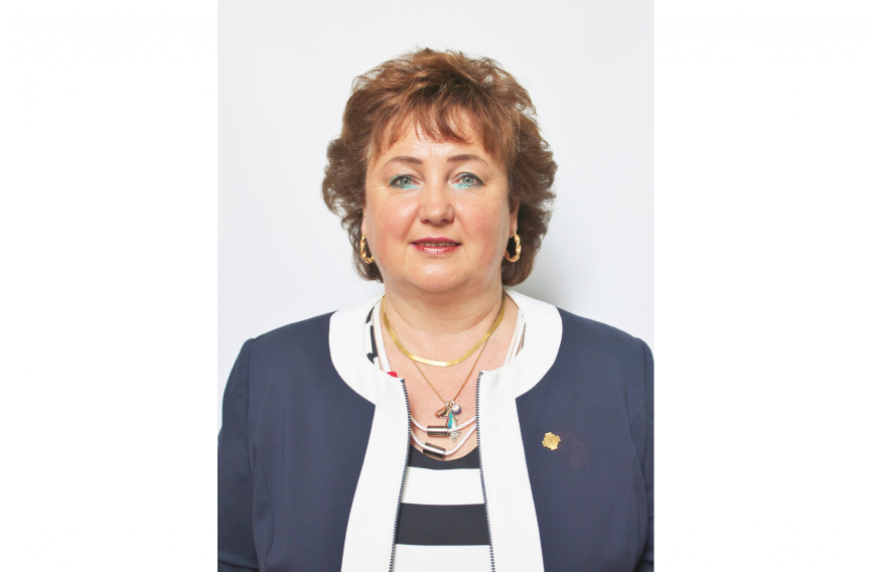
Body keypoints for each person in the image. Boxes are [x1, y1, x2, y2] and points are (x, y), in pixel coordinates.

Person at [218, 48, 653, 572]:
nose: (435, 209)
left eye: (467, 177)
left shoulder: (621, 375)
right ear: (363, 214)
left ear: (513, 213)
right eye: (404, 178)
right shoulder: (272, 376)